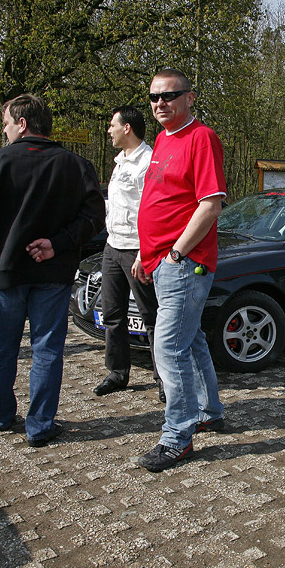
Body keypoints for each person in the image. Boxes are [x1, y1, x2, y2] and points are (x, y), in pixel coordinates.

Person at [0, 94, 105, 447]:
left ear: (22, 124)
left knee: (1, 348)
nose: (4, 131)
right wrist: (59, 243)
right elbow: (95, 217)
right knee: (47, 350)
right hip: (52, 273)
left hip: (5, 272)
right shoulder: (76, 166)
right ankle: (39, 426)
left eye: (6, 124)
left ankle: (1, 416)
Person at [134, 68, 226, 472]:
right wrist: (146, 253)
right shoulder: (162, 139)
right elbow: (163, 201)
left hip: (186, 265)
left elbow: (210, 205)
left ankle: (177, 437)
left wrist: (175, 253)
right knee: (191, 341)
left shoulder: (201, 138)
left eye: (169, 95)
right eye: (154, 97)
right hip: (161, 261)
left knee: (169, 348)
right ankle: (209, 411)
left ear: (189, 97)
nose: (160, 103)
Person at [92, 105, 162, 400]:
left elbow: (153, 212)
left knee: (151, 316)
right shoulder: (120, 161)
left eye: (112, 125)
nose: (109, 130)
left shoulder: (147, 162)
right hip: (113, 246)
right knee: (113, 314)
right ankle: (118, 373)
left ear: (127, 128)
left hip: (137, 249)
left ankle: (164, 379)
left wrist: (145, 254)